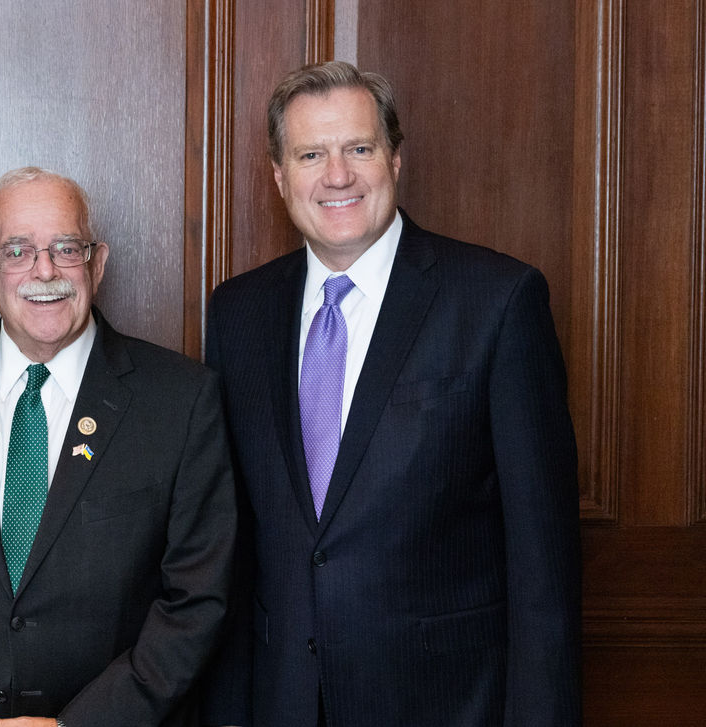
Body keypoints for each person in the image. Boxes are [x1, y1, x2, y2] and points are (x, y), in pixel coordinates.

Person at [202, 61, 581, 726]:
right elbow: (231, 546)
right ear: (279, 175)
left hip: (444, 703)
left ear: (395, 159)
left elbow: (543, 563)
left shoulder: (498, 301)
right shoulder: (238, 313)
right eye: (311, 154)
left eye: (359, 148)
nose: (337, 175)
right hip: (282, 700)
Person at [0, 166, 235, 727]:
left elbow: (196, 599)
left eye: (66, 248)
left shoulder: (181, 399)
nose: (45, 270)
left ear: (97, 264)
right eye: (17, 251)